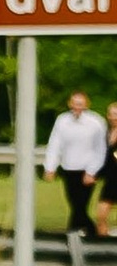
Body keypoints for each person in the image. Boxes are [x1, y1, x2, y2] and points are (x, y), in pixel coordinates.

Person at [45, 87, 107, 242]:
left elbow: (100, 149)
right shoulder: (62, 121)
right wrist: (50, 167)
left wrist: (92, 171)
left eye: (81, 104)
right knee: (75, 205)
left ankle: (71, 236)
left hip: (87, 170)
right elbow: (55, 145)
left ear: (86, 105)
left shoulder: (96, 122)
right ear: (69, 104)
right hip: (69, 169)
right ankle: (93, 234)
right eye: (75, 103)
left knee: (79, 206)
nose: (77, 107)